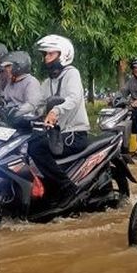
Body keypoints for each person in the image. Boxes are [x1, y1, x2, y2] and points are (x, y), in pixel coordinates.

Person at [28, 35, 90, 199]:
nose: (45, 59)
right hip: (55, 134)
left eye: (50, 54)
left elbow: (74, 98)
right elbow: (37, 103)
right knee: (26, 143)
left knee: (36, 147)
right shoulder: (48, 82)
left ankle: (67, 187)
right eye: (45, 55)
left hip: (73, 134)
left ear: (63, 54)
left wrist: (56, 111)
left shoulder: (72, 74)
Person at [0, 51, 43, 116]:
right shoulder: (11, 82)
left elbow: (32, 105)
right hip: (9, 119)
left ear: (19, 66)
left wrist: (17, 111)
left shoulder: (31, 82)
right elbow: (6, 100)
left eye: (8, 66)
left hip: (23, 120)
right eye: (5, 67)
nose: (6, 69)